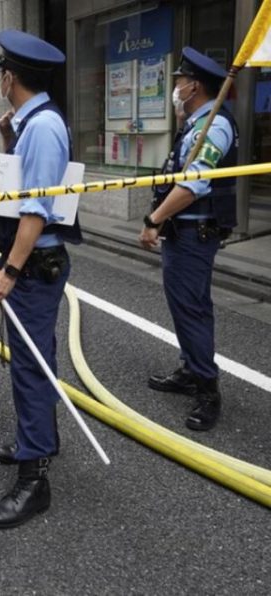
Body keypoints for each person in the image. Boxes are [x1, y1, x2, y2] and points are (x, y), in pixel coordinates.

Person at [0, 30, 81, 529]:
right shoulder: (29, 125)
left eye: (0, 73)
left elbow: (36, 210)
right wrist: (6, 142)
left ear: (11, 77)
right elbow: (20, 190)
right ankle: (37, 441)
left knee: (31, 367)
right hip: (33, 263)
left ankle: (34, 478)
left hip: (35, 266)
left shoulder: (41, 127)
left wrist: (10, 272)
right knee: (33, 360)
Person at [140, 47, 238, 432]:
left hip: (194, 234)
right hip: (185, 233)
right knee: (185, 306)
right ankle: (190, 369)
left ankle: (207, 389)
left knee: (192, 308)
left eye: (180, 80)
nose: (176, 87)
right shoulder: (197, 122)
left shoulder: (213, 126)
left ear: (194, 86)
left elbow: (193, 184)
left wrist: (154, 220)